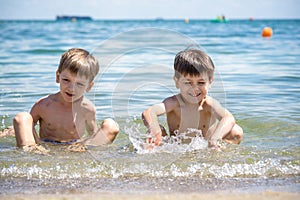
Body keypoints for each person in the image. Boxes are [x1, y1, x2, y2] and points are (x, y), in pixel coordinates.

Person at [13, 48, 119, 148]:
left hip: (74, 148)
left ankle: (84, 153)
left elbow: (93, 134)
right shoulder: (44, 105)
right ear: (58, 77)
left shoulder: (87, 109)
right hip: (44, 146)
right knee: (22, 117)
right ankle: (30, 151)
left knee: (111, 126)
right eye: (66, 80)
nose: (71, 88)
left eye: (79, 84)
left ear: (89, 86)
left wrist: (82, 146)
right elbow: (28, 127)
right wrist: (37, 143)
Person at [142, 49, 243, 149]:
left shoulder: (208, 104)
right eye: (188, 83)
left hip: (205, 146)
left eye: (201, 83)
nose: (195, 89)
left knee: (236, 131)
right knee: (154, 130)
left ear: (210, 82)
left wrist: (215, 139)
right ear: (177, 82)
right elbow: (149, 112)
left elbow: (228, 118)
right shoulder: (173, 103)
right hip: (177, 147)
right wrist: (155, 129)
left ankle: (221, 153)